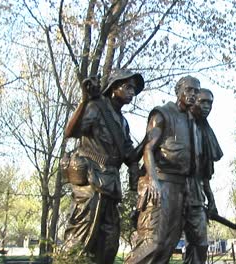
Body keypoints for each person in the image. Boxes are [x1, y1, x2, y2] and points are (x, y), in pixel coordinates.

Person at [62, 69, 144, 264]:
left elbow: (129, 155)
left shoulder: (123, 123)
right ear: (114, 88)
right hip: (91, 182)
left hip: (110, 185)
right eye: (128, 87)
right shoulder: (95, 107)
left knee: (109, 243)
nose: (132, 92)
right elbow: (71, 132)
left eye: (134, 88)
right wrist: (84, 100)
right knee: (81, 236)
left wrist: (151, 136)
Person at [125, 76, 202, 264]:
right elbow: (148, 148)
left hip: (180, 188)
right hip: (160, 183)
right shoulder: (162, 113)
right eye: (189, 90)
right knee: (153, 242)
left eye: (196, 92)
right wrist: (152, 180)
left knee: (169, 243)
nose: (193, 95)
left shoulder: (192, 121)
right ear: (179, 90)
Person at [190, 88, 223, 217]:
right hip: (174, 190)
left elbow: (205, 175)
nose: (206, 106)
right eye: (202, 102)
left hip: (196, 195)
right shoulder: (179, 124)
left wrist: (211, 200)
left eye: (209, 103)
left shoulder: (207, 133)